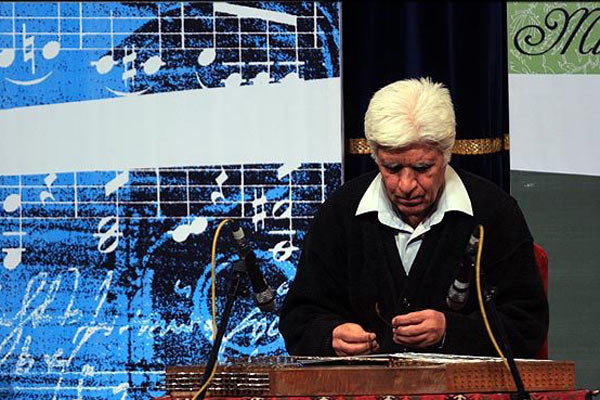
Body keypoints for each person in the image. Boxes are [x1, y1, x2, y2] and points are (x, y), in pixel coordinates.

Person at [279, 78, 548, 357]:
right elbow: (299, 318)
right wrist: (330, 336)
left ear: (445, 155)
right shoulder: (341, 212)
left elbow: (527, 326)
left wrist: (450, 331)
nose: (406, 185)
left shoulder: (493, 212)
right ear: (375, 157)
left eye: (422, 168)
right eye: (392, 168)